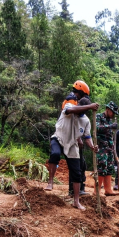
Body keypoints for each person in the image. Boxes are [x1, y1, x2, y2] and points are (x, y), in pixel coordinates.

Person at [45, 80, 99, 210]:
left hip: (72, 144)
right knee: (55, 154)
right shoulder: (70, 106)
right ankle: (50, 181)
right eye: (82, 107)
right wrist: (90, 106)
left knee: (76, 171)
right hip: (59, 137)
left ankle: (76, 201)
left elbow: (87, 137)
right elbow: (71, 110)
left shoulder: (85, 120)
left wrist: (92, 147)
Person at [95, 102, 119, 196]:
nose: (113, 115)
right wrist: (110, 126)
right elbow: (97, 128)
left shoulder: (110, 120)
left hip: (109, 148)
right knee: (101, 167)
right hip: (101, 147)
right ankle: (96, 191)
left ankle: (108, 190)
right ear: (108, 109)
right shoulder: (99, 116)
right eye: (112, 112)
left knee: (109, 168)